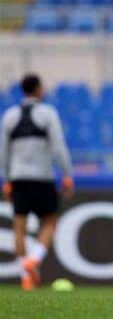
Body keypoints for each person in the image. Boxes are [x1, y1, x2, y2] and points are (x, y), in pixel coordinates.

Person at [0, 74, 74, 291]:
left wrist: (6, 179)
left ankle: (26, 276)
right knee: (51, 221)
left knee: (19, 227)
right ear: (39, 89)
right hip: (42, 177)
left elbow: (3, 152)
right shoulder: (48, 114)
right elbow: (59, 147)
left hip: (18, 177)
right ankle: (34, 259)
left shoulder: (10, 116)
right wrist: (67, 174)